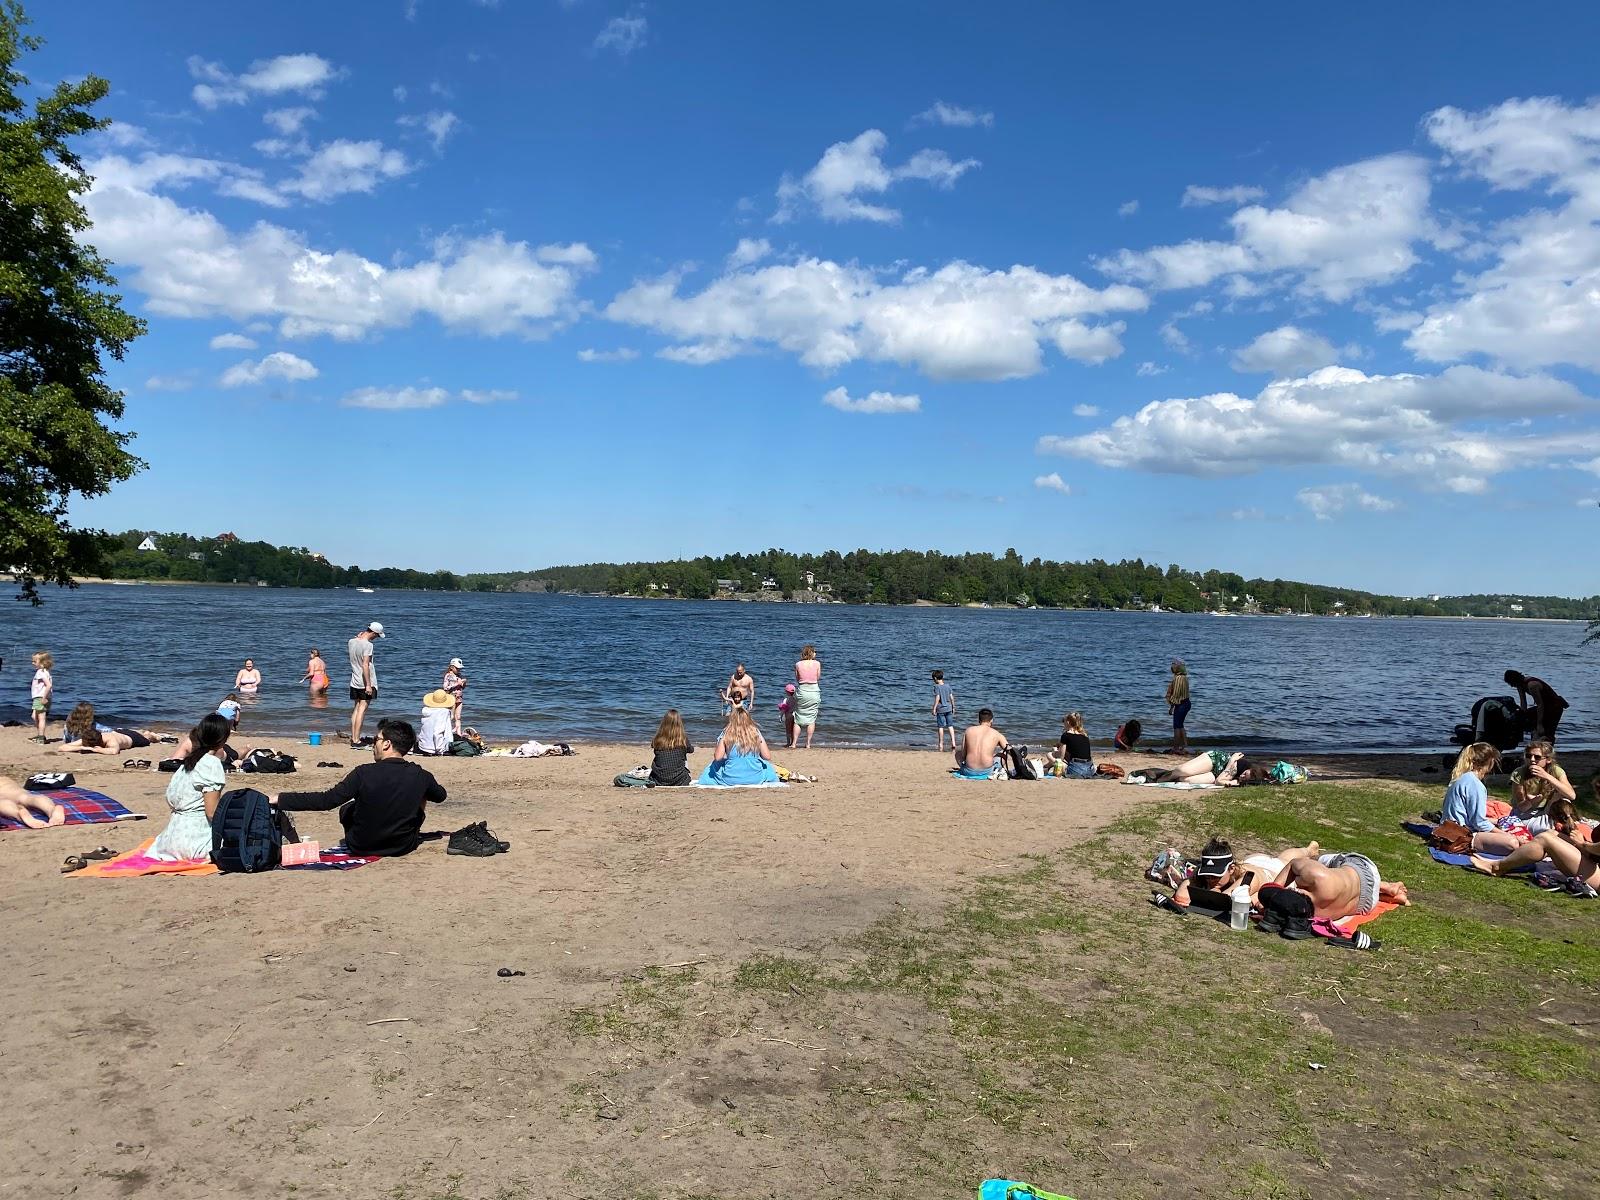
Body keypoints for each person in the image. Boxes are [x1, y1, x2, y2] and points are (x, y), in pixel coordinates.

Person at [270, 719, 446, 858]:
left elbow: (327, 801)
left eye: (376, 739)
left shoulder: (363, 773)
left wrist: (281, 798)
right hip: (402, 846)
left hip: (361, 846)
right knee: (420, 793)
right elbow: (440, 796)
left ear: (387, 744)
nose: (373, 744)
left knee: (348, 807)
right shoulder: (421, 774)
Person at [147, 713, 232, 862]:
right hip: (195, 840)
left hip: (170, 839)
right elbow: (212, 813)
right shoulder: (211, 764)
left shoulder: (186, 764)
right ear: (223, 739)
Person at [1273, 846, 1410, 920]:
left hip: (1366, 905)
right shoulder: (1318, 876)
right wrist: (1274, 890)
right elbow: (1292, 864)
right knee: (1322, 860)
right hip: (1366, 872)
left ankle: (1385, 892)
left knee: (1345, 891)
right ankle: (1386, 886)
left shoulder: (1314, 915)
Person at [1172, 837, 1302, 909]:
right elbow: (1181, 896)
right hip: (1251, 860)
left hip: (1272, 871)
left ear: (1231, 869)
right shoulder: (1205, 872)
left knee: (1284, 859)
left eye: (1216, 875)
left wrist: (1213, 890)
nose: (1210, 878)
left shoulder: (1249, 877)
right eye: (1207, 874)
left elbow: (1224, 901)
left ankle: (1308, 849)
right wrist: (1194, 876)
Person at [1440, 742, 1502, 849]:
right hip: (1460, 834)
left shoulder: (1461, 778)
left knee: (1497, 824)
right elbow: (1479, 823)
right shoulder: (1476, 785)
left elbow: (1469, 815)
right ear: (1490, 762)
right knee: (1511, 842)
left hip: (1447, 828)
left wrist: (1497, 822)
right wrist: (1504, 834)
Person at [696, 707, 778, 785]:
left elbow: (717, 757)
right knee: (766, 766)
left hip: (730, 779)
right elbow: (767, 756)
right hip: (756, 778)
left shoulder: (727, 733)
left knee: (712, 767)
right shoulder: (755, 732)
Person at [1508, 741, 1576, 835]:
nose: (1532, 760)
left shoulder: (1556, 771)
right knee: (1544, 830)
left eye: (1537, 757)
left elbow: (1571, 795)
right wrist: (1532, 801)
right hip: (1526, 813)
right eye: (1528, 756)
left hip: (1548, 810)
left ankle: (1563, 827)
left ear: (1548, 759)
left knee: (1563, 798)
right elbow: (1521, 807)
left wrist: (1546, 776)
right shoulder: (1519, 773)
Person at [1504, 670, 1569, 742]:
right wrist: (1523, 716)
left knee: (1547, 731)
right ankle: (1535, 734)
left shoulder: (1532, 685)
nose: (1511, 686)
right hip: (1544, 707)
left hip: (1555, 707)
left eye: (1510, 683)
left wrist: (1539, 724)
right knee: (1520, 717)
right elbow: (1523, 702)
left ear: (1514, 680)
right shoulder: (1519, 685)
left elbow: (1540, 705)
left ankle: (1546, 744)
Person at [348, 621, 384, 747]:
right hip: (365, 681)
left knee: (356, 708)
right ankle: (357, 740)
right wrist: (368, 684)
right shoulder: (368, 645)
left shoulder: (351, 641)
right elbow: (365, 665)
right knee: (362, 710)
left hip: (354, 679)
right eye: (377, 635)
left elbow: (357, 642)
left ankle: (354, 737)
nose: (377, 638)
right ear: (373, 633)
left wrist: (359, 637)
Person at [953, 708, 1008, 779]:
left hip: (968, 771)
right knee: (1004, 754)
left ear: (979, 720)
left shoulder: (969, 730)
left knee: (958, 753)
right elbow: (1010, 750)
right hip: (988, 771)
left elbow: (963, 754)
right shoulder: (996, 734)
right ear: (992, 720)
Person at [648, 709, 695, 786]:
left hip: (659, 779)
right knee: (683, 756)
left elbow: (654, 747)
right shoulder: (682, 739)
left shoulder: (657, 739)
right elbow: (691, 750)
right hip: (679, 780)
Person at [0, 776, 65, 828]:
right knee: (25, 797)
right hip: (3, 781)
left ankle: (19, 814)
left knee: (2, 801)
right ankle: (52, 810)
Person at [56, 725, 163, 755]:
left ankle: (152, 735)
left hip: (131, 738)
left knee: (147, 739)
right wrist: (82, 747)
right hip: (118, 731)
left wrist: (96, 750)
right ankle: (146, 733)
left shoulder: (110, 740)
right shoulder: (89, 739)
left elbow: (114, 751)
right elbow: (62, 748)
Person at [793, 644, 822, 749]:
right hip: (813, 690)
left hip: (802, 691)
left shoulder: (798, 664)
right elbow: (818, 677)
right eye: (815, 651)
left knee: (798, 718)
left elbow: (797, 678)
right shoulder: (817, 663)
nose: (816, 653)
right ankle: (808, 744)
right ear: (811, 653)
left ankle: (794, 743)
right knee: (811, 719)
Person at [1050, 711, 1095, 779]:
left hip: (1075, 770)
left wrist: (1055, 750)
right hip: (1089, 770)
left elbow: (1061, 758)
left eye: (1063, 721)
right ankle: (1046, 767)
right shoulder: (1085, 736)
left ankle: (1045, 767)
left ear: (1068, 722)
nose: (1063, 724)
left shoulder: (1066, 735)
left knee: (1049, 755)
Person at [418, 690, 456, 755]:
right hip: (433, 749)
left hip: (423, 746)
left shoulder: (427, 710)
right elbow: (437, 733)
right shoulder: (443, 712)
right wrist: (440, 751)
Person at [1165, 660, 1190, 753]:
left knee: (1176, 727)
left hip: (1181, 705)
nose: (1172, 667)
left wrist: (1171, 706)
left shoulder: (1178, 678)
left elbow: (1176, 695)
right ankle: (1184, 745)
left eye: (1173, 666)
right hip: (1186, 703)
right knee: (1180, 725)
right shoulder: (1184, 677)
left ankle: (1176, 747)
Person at [29, 651, 53, 742]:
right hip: (42, 697)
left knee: (41, 717)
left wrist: (43, 697)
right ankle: (40, 734)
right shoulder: (46, 672)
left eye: (35, 661)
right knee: (34, 716)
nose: (33, 663)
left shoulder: (41, 672)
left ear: (42, 663)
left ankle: (41, 737)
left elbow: (48, 685)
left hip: (40, 697)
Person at [931, 670, 957, 752]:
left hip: (941, 708)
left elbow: (938, 697)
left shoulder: (936, 687)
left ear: (935, 678)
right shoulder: (948, 686)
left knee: (940, 727)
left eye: (933, 679)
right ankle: (953, 742)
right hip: (949, 708)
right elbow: (951, 697)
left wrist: (934, 708)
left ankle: (941, 743)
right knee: (950, 725)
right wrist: (953, 707)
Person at [443, 658, 468, 735]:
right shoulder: (448, 675)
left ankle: (459, 733)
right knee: (451, 716)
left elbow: (462, 687)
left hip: (459, 697)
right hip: (451, 697)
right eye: (457, 668)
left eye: (459, 669)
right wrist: (457, 683)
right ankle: (447, 731)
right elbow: (445, 687)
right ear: (451, 667)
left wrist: (464, 683)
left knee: (458, 716)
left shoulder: (459, 675)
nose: (459, 670)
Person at [777, 684, 798, 749]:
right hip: (795, 715)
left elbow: (784, 709)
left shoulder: (786, 700)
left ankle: (788, 743)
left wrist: (780, 716)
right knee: (793, 729)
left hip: (788, 715)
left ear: (786, 692)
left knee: (788, 730)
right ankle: (793, 742)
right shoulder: (795, 699)